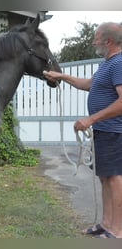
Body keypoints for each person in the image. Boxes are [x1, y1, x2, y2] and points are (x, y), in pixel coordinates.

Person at [43, 22, 122, 239]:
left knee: (114, 178)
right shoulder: (106, 64)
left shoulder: (119, 63)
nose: (93, 41)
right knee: (105, 178)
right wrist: (62, 77)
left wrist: (90, 119)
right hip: (103, 131)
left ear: (108, 41)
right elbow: (89, 84)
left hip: (114, 131)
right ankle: (106, 224)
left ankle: (117, 231)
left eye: (96, 37)